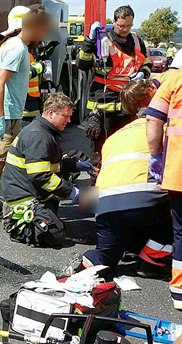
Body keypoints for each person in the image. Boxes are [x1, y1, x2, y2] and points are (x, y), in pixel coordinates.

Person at [81, 79, 172, 277]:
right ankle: (152, 260)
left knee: (104, 260)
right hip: (148, 202)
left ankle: (88, 266)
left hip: (106, 206)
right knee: (176, 216)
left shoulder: (114, 137)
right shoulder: (162, 128)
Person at [0, 5, 52, 221]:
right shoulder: (17, 49)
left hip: (11, 113)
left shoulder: (16, 45)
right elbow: (0, 83)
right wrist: (1, 117)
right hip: (8, 114)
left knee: (2, 159)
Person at [0, 93, 94, 246]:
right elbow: (40, 176)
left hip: (29, 188)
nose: (69, 120)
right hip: (22, 196)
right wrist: (72, 191)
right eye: (65, 116)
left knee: (55, 217)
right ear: (51, 113)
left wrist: (74, 164)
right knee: (55, 234)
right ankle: (18, 227)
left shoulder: (46, 131)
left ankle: (44, 210)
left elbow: (50, 162)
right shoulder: (38, 136)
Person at [78, 5, 152, 154]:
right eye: (120, 26)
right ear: (114, 22)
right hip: (104, 104)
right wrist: (89, 41)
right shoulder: (103, 41)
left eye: (128, 26)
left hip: (129, 104)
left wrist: (143, 73)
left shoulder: (137, 41)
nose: (124, 29)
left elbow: (147, 62)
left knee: (126, 150)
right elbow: (82, 64)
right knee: (102, 151)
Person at [145, 51, 182, 310]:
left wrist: (155, 155)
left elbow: (153, 119)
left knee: (181, 230)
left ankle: (179, 288)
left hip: (178, 171)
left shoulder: (173, 81)